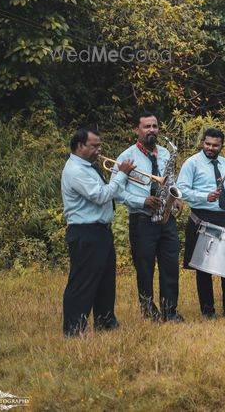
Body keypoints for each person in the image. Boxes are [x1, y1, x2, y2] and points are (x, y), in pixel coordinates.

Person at [60, 127, 135, 336]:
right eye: (94, 146)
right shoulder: (75, 170)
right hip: (85, 232)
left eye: (99, 145)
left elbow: (107, 194)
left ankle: (105, 321)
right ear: (80, 146)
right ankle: (74, 330)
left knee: (105, 280)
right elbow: (101, 195)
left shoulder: (88, 167)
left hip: (100, 231)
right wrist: (121, 175)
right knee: (82, 283)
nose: (99, 150)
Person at [113, 110, 183, 322]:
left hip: (166, 218)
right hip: (142, 220)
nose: (151, 130)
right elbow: (115, 192)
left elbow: (168, 180)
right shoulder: (126, 157)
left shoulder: (164, 153)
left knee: (170, 266)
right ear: (137, 130)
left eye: (154, 126)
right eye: (147, 126)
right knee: (145, 269)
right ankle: (149, 312)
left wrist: (175, 197)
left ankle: (170, 312)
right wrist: (141, 201)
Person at [177, 128, 225, 319]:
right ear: (202, 143)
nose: (210, 148)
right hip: (201, 217)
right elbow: (181, 190)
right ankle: (208, 311)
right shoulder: (192, 163)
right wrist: (205, 196)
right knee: (203, 268)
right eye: (207, 144)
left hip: (224, 218)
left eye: (215, 145)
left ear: (221, 145)